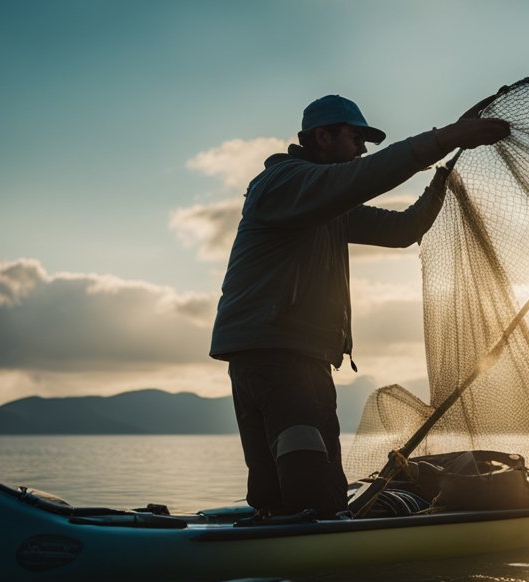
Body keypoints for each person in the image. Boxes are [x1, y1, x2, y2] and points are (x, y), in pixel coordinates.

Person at [209, 94, 510, 519]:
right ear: (322, 137)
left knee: (275, 491)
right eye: (356, 138)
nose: (362, 150)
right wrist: (446, 137)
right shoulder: (284, 183)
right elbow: (365, 176)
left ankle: (273, 566)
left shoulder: (325, 205)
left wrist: (444, 176)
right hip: (283, 356)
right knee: (313, 495)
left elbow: (402, 229)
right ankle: (312, 559)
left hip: (277, 355)